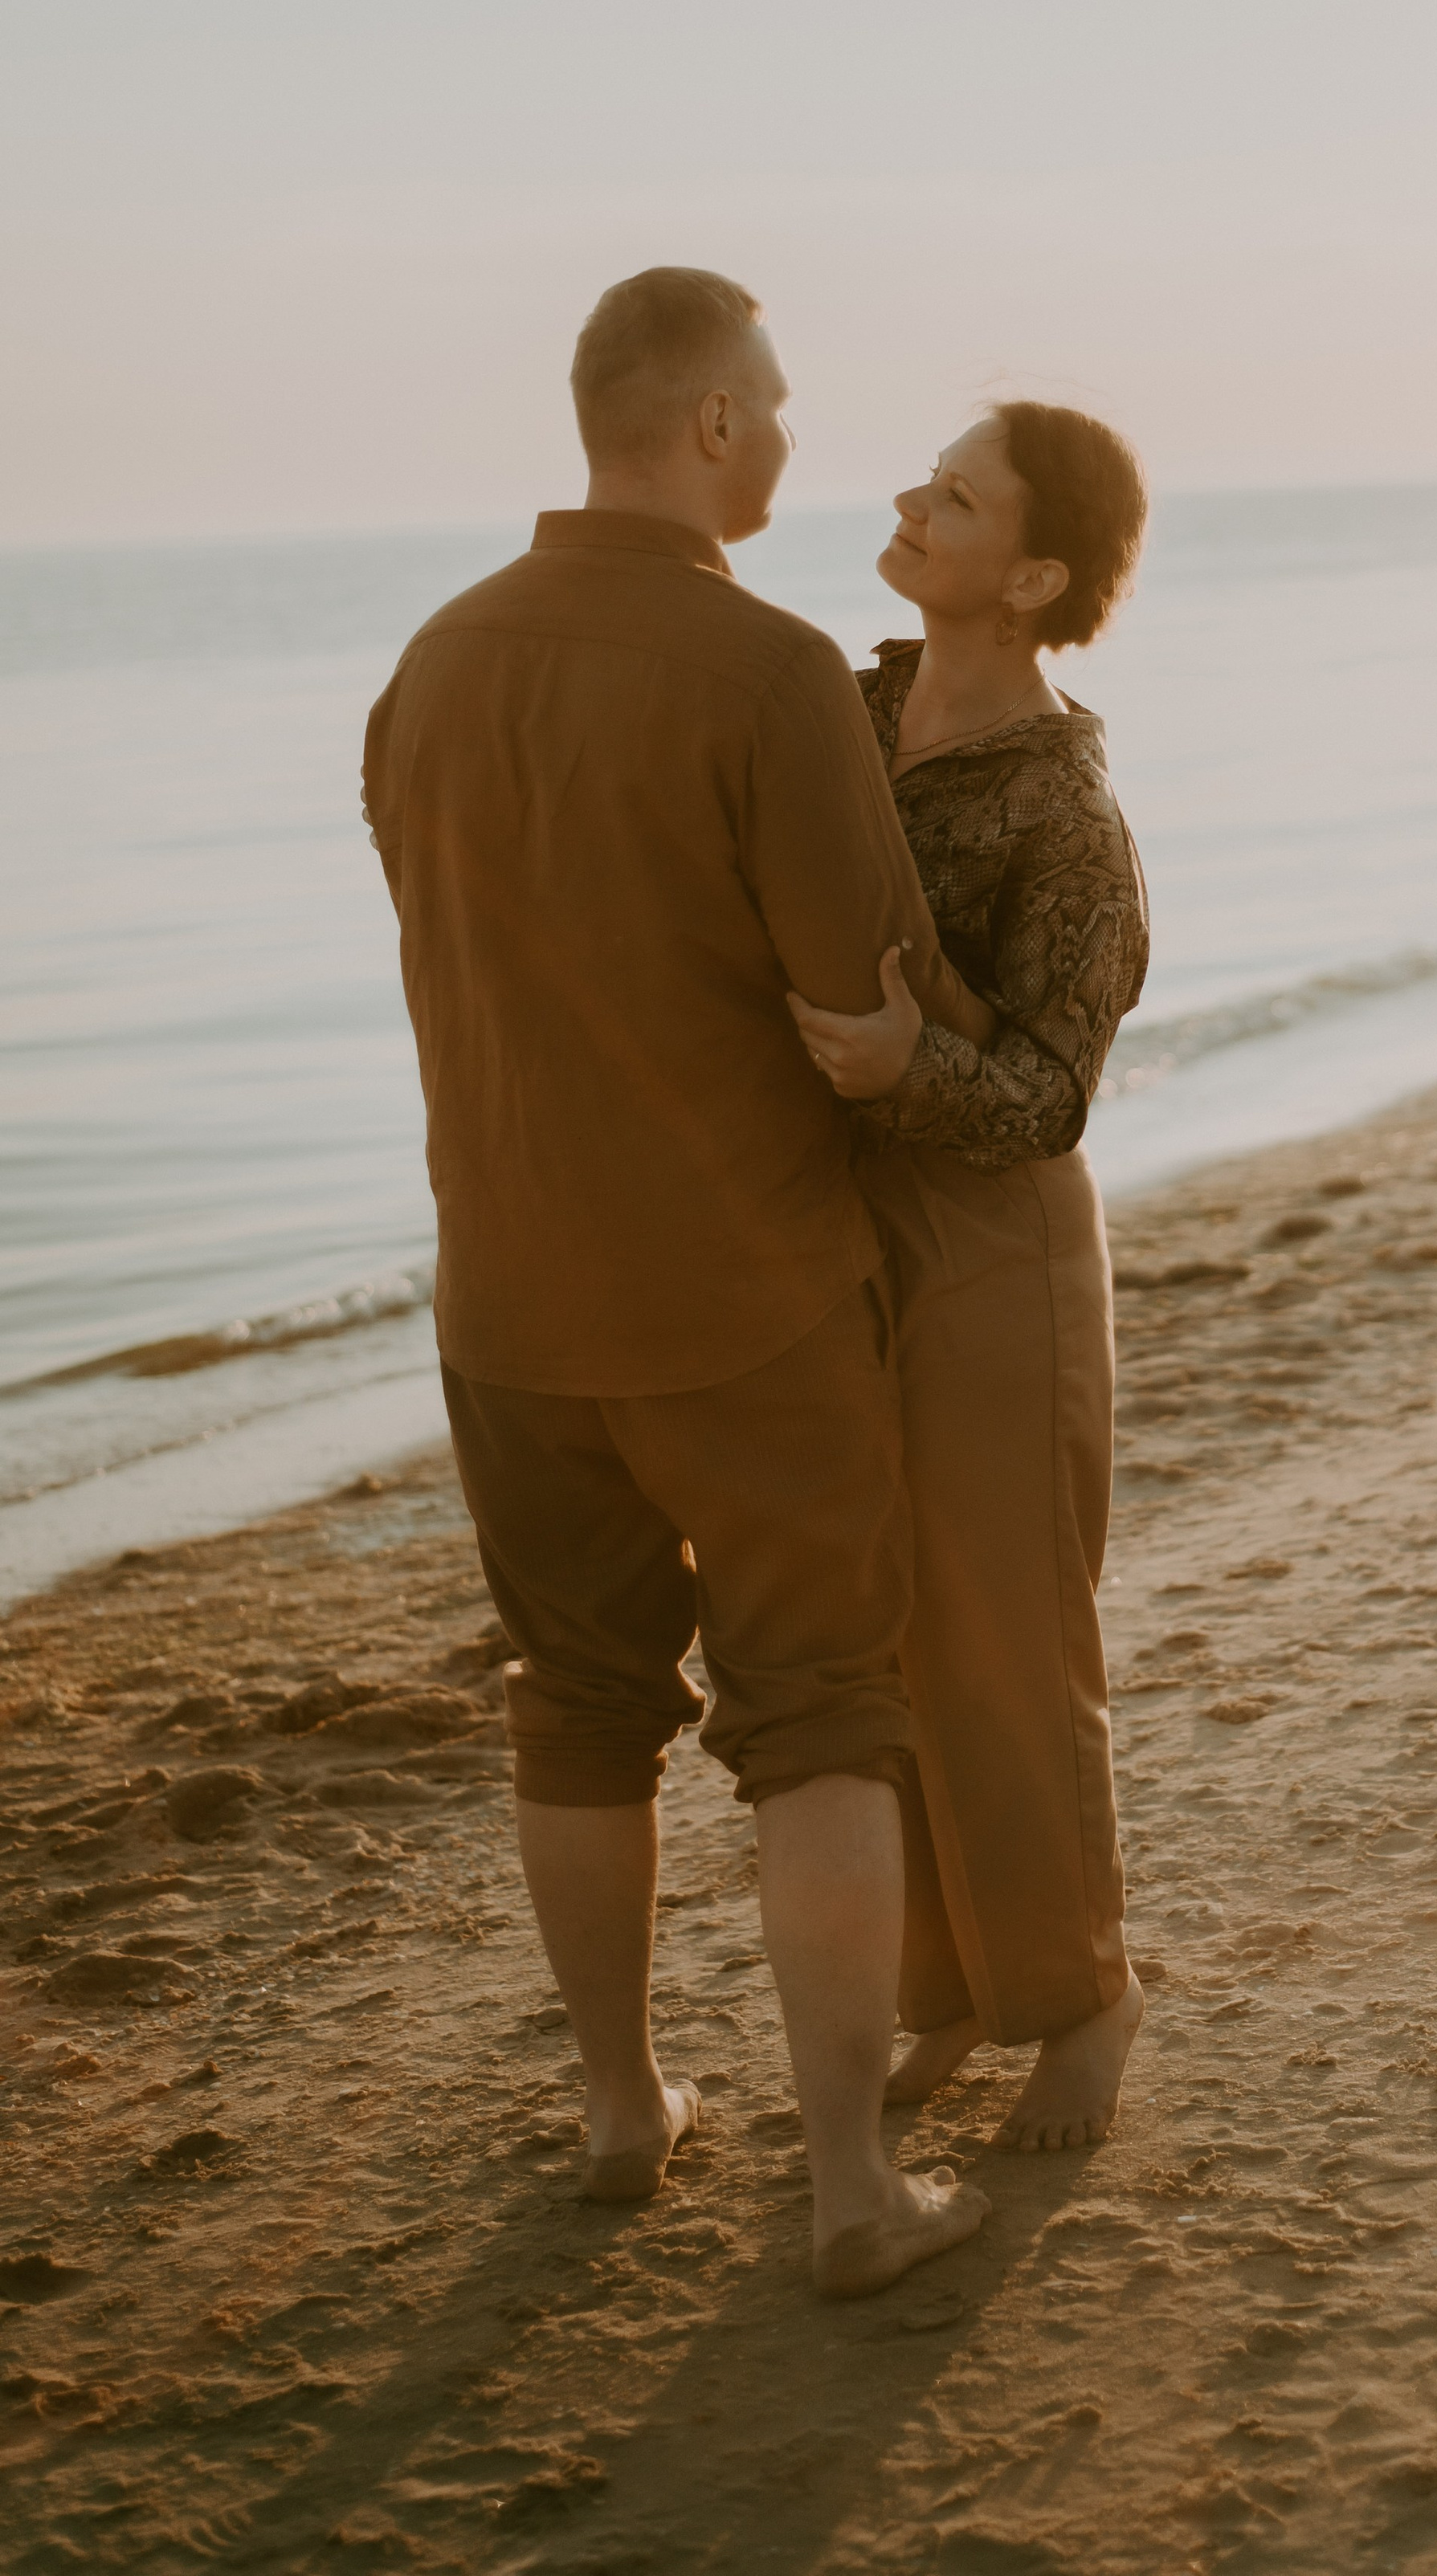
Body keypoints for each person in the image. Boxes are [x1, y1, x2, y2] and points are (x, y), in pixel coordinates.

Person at [361, 266, 993, 2298]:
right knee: (817, 1715)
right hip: (744, 1290)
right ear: (708, 421)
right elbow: (858, 1002)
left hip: (505, 1301)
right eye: (779, 408)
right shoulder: (768, 670)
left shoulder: (433, 666)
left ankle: (626, 2114)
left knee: (579, 1710)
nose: (795, 443)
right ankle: (844, 2189)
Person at [786, 401, 1150, 2152]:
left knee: (1011, 1642)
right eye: (922, 482)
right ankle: (949, 1994)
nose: (911, 506)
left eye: (955, 495)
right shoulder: (851, 714)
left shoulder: (1070, 808)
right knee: (896, 1636)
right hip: (847, 1231)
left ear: (1032, 573)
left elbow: (1053, 1094)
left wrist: (893, 1073)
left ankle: (1082, 1999)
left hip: (999, 1245)